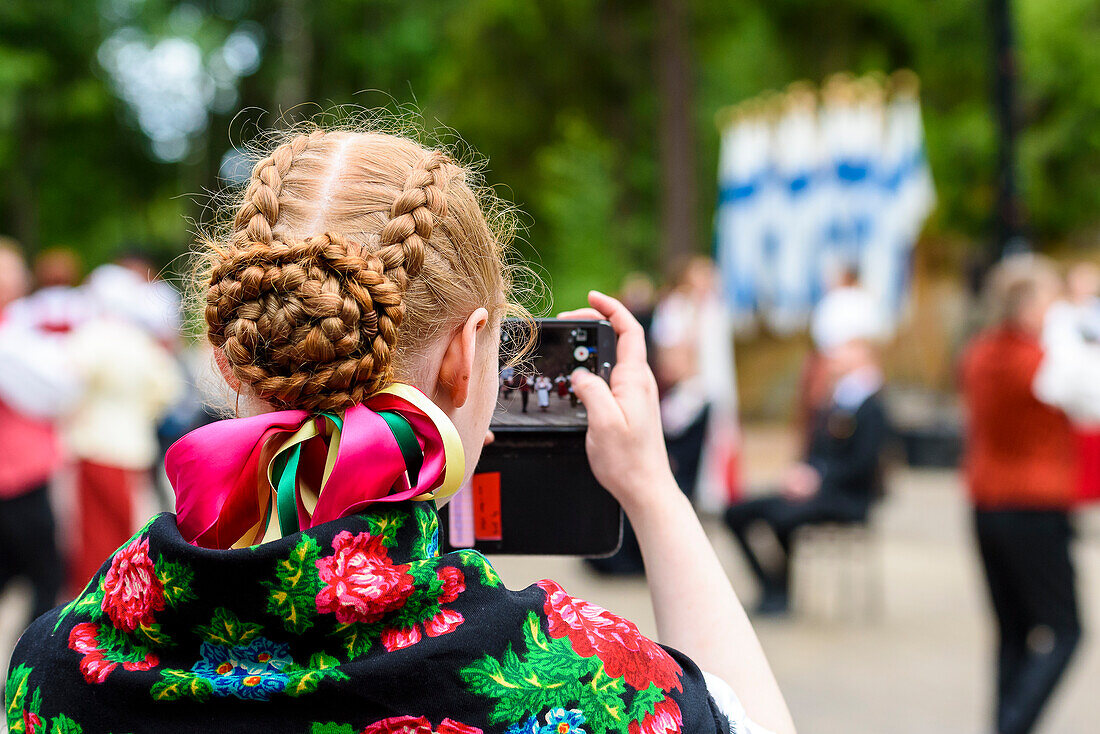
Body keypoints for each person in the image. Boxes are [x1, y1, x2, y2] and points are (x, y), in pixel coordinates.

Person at [6, 126, 795, 734]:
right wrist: (653, 492)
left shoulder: (58, 670)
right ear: (464, 354)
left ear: (228, 350)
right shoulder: (572, 679)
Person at [960, 255, 1080, 734]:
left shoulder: (977, 354)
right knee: (1065, 630)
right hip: (1034, 506)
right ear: (1031, 306)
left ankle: (1003, 723)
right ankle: (1013, 724)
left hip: (984, 503)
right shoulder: (1040, 363)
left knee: (1012, 632)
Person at [724, 337, 886, 616]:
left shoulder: (872, 407)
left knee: (782, 519)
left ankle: (780, 594)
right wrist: (801, 474)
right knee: (735, 513)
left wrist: (819, 478)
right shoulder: (835, 399)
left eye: (847, 350)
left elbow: (863, 465)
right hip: (816, 490)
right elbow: (817, 451)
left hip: (845, 497)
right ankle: (771, 586)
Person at [62, 263, 184, 593]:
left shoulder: (91, 336)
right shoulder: (142, 342)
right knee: (124, 530)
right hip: (134, 445)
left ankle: (91, 604)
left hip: (93, 443)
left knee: (93, 535)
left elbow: (67, 381)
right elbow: (169, 388)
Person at [0, 240, 69, 629]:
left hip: (18, 471)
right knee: (47, 575)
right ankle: (26, 672)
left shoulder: (16, 328)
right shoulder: (8, 340)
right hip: (18, 474)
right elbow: (50, 394)